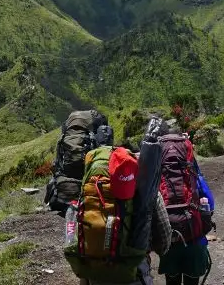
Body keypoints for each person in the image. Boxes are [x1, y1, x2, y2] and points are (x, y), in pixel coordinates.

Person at [65, 117, 173, 285]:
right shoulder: (143, 188)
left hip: (93, 276)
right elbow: (164, 243)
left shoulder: (88, 189)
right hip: (133, 274)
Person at [157, 124, 215, 285]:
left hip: (168, 237)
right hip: (194, 238)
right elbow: (210, 202)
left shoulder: (159, 173)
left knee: (172, 280)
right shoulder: (192, 172)